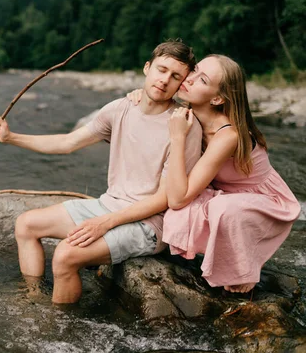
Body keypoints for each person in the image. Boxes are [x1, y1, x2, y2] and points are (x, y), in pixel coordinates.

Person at [0, 41, 203, 304]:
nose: (165, 80)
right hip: (108, 206)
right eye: (162, 69)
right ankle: (33, 300)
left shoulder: (183, 126)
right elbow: (67, 143)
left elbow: (165, 199)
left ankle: (57, 327)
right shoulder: (119, 108)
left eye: (175, 76)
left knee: (65, 256)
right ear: (147, 68)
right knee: (26, 224)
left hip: (149, 224)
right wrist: (11, 138)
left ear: (181, 84)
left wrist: (105, 223)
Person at [127, 54, 301, 293]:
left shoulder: (228, 135)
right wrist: (139, 95)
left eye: (202, 80)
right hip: (221, 192)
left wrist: (178, 138)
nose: (189, 79)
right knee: (179, 211)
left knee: (218, 208)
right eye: (194, 71)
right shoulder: (189, 111)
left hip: (262, 201)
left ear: (217, 98)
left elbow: (178, 198)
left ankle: (244, 267)